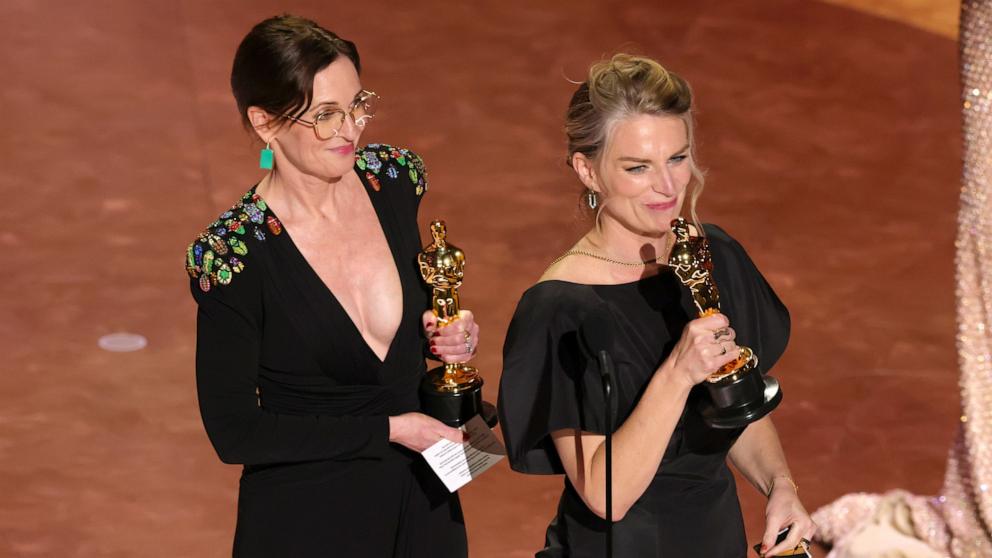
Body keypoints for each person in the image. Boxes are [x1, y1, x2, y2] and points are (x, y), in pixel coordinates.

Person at [497, 54, 816, 557]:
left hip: (716, 539)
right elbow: (608, 496)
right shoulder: (560, 309)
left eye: (677, 158)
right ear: (588, 170)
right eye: (638, 167)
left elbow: (738, 407)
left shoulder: (713, 257)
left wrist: (780, 486)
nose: (668, 186)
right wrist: (678, 372)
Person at [185, 14, 478, 557]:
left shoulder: (393, 180)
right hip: (308, 518)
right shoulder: (232, 255)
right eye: (325, 115)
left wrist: (445, 336)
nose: (350, 129)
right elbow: (235, 432)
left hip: (423, 505)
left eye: (356, 106)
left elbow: (416, 320)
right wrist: (390, 430)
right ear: (266, 123)